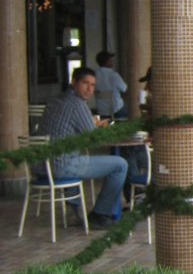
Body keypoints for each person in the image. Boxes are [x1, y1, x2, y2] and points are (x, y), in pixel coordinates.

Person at [40, 67, 128, 230]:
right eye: (85, 83)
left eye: (93, 85)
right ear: (74, 83)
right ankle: (100, 214)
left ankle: (74, 210)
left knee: (75, 153)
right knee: (120, 165)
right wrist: (101, 129)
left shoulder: (55, 100)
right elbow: (93, 140)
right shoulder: (77, 105)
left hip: (40, 166)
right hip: (61, 166)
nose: (89, 89)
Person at [94, 50, 128, 120]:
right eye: (110, 59)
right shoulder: (113, 75)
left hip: (102, 111)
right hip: (117, 110)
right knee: (134, 111)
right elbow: (125, 90)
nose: (112, 61)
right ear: (107, 61)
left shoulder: (94, 74)